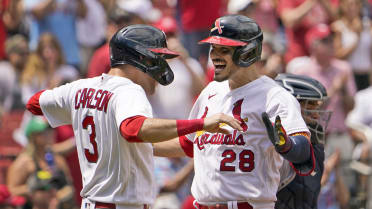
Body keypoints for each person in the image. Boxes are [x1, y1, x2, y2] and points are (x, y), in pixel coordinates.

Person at [25, 24, 243, 209]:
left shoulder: (80, 87)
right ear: (139, 58)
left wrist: (200, 143)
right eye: (156, 58)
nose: (160, 68)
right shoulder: (129, 90)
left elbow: (35, 103)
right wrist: (201, 123)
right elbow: (133, 129)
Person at [153, 15, 315, 208]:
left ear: (248, 53)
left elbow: (303, 149)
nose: (214, 56)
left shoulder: (274, 96)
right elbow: (188, 144)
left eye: (224, 50)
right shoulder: (210, 92)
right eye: (213, 48)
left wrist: (287, 145)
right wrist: (140, 146)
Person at [273, 73, 333, 209]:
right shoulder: (269, 144)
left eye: (317, 106)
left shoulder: (315, 142)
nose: (317, 114)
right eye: (310, 105)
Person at [7, 116, 74, 209]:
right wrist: (30, 188)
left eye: (51, 130)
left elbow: (69, 186)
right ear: (33, 136)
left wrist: (61, 193)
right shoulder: (24, 162)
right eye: (45, 132)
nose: (50, 134)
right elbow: (11, 191)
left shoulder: (58, 159)